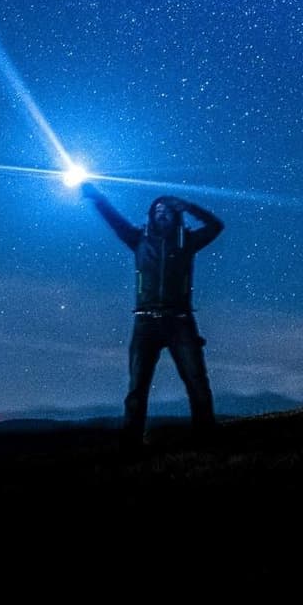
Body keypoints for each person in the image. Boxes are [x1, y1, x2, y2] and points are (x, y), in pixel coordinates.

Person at [81, 184, 224, 449]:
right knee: (137, 387)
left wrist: (190, 207)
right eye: (157, 210)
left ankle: (206, 438)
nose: (162, 213)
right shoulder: (138, 239)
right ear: (151, 215)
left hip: (180, 321)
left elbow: (216, 226)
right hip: (145, 322)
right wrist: (98, 198)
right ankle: (131, 443)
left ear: (176, 214)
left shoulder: (186, 242)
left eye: (167, 209)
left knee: (197, 381)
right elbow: (115, 221)